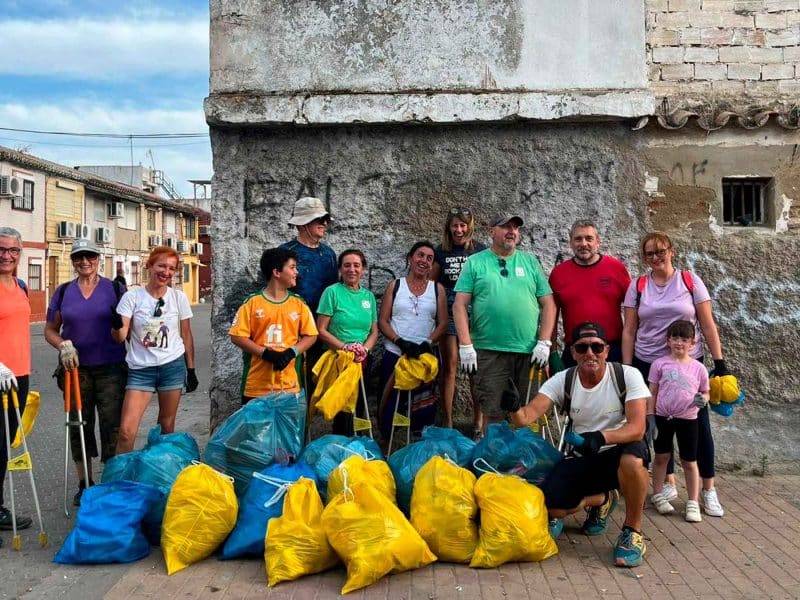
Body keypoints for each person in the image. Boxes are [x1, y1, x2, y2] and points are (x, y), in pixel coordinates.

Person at [505, 322, 651, 568]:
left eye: (596, 347)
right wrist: (513, 408)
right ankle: (603, 499)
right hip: (585, 453)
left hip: (620, 447)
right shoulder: (564, 380)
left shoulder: (627, 375)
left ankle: (632, 532)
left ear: (606, 350)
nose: (590, 353)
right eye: (582, 348)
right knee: (554, 506)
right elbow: (527, 416)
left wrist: (601, 437)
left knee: (633, 462)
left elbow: (637, 428)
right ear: (572, 352)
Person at [622, 231, 728, 517]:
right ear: (644, 258)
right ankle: (667, 482)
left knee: (699, 427)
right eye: (649, 254)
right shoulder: (639, 285)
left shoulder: (690, 282)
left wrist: (720, 364)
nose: (656, 258)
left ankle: (708, 489)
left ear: (672, 251)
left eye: (660, 251)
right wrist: (628, 368)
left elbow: (707, 324)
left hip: (687, 364)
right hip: (649, 363)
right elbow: (630, 329)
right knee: (657, 425)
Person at [453, 213, 556, 432]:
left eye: (516, 228)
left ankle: (524, 463)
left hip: (528, 352)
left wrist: (544, 342)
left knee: (528, 412)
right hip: (489, 352)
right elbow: (459, 305)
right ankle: (495, 462)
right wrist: (465, 345)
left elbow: (549, 304)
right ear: (491, 232)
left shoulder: (529, 262)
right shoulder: (475, 262)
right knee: (493, 411)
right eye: (505, 227)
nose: (512, 231)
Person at [44, 239, 128, 506]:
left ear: (98, 258)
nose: (84, 262)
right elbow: (50, 329)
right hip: (74, 370)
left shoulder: (115, 289)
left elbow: (126, 331)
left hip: (111, 368)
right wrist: (63, 344)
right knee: (79, 426)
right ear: (73, 261)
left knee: (112, 426)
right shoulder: (64, 291)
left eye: (90, 256)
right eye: (79, 257)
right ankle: (85, 483)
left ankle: (111, 482)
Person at [112, 246, 198, 454]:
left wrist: (191, 370)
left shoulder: (179, 298)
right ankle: (119, 481)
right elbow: (120, 337)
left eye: (171, 268)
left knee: (166, 429)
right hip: (141, 370)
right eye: (161, 266)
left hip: (172, 366)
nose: (166, 272)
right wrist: (115, 324)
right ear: (149, 266)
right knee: (126, 431)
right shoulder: (132, 298)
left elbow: (186, 335)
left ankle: (159, 474)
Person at [229, 247, 318, 404]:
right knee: (259, 429)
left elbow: (311, 335)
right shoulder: (252, 303)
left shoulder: (298, 303)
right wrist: (266, 354)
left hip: (290, 386)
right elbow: (237, 336)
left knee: (289, 429)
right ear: (276, 272)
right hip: (256, 387)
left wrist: (291, 352)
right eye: (292, 267)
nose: (296, 272)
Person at [378, 241, 448, 439]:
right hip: (396, 354)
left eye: (429, 258)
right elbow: (383, 321)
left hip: (424, 359)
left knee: (423, 412)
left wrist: (427, 342)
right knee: (389, 407)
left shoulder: (437, 290)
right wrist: (399, 341)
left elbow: (442, 324)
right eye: (420, 255)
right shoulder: (396, 286)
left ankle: (418, 452)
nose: (424, 261)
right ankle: (389, 448)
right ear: (410, 258)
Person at [430, 207, 487, 433]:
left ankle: (478, 422)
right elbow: (433, 285)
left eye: (463, 225)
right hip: (451, 307)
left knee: (475, 367)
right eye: (455, 225)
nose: (459, 229)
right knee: (451, 364)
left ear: (470, 227)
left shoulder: (480, 251)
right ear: (449, 227)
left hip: (477, 308)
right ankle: (448, 422)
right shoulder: (441, 251)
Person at [648, 320, 710, 522]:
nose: (679, 343)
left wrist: (704, 399)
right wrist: (650, 417)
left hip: (688, 419)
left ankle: (692, 501)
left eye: (684, 339)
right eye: (675, 338)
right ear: (668, 340)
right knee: (661, 457)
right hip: (664, 418)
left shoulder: (699, 368)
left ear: (692, 343)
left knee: (689, 461)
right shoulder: (659, 364)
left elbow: (705, 392)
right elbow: (652, 393)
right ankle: (657, 493)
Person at [549, 220, 631, 368]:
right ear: (571, 243)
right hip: (576, 351)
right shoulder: (558, 274)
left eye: (589, 238)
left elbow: (634, 313)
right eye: (578, 239)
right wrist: (553, 353)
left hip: (612, 350)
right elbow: (551, 318)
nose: (583, 243)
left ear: (598, 242)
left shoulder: (616, 269)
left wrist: (630, 356)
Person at [316, 249, 379, 436]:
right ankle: (340, 446)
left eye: (356, 265)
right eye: (347, 265)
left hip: (362, 360)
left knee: (361, 405)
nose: (352, 269)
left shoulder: (368, 297)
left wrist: (364, 350)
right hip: (339, 360)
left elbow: (374, 332)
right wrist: (345, 347)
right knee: (342, 409)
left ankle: (358, 446)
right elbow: (321, 330)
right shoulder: (332, 292)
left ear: (363, 269)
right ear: (340, 270)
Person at [280, 196, 338, 399]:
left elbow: (334, 293)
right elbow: (276, 291)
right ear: (304, 224)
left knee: (317, 387)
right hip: (292, 330)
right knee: (292, 386)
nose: (324, 224)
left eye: (324, 219)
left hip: (322, 330)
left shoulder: (329, 254)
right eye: (318, 219)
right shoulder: (285, 253)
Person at [0, 227, 33, 542]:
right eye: (1, 249)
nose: (7, 256)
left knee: (4, 448)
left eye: (13, 250)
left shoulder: (20, 285)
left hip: (19, 376)